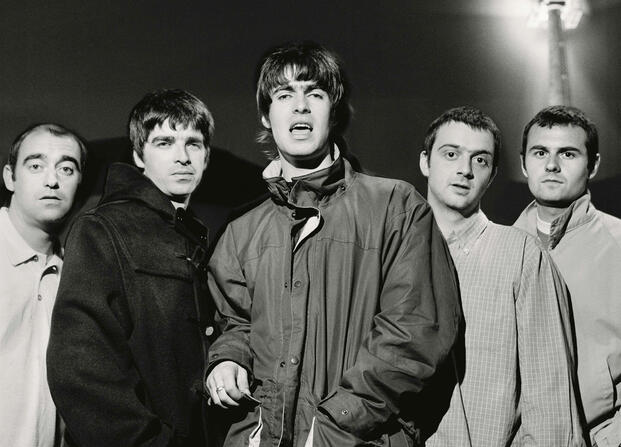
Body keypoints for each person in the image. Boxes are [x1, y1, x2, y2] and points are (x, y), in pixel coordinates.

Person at [204, 41, 461, 447]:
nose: (300, 106)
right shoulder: (241, 230)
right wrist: (228, 360)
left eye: (315, 94)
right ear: (267, 116)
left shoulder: (396, 207)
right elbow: (235, 324)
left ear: (334, 111)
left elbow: (413, 336)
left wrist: (331, 427)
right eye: (284, 95)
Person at [47, 89, 219, 446]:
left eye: (194, 143)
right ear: (139, 155)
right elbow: (80, 369)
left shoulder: (200, 237)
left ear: (206, 156)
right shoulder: (101, 228)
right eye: (164, 142)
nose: (182, 156)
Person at [419, 106, 584, 446]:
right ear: (425, 162)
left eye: (480, 160)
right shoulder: (390, 252)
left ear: (492, 174)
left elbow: (550, 402)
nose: (465, 169)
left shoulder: (521, 255)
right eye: (451, 154)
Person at [514, 105, 621, 446]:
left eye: (568, 153)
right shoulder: (501, 248)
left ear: (593, 165)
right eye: (540, 152)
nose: (551, 165)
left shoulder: (618, 243)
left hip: (601, 435)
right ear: (523, 163)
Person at [0, 123, 86, 447]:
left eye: (66, 169)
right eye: (36, 165)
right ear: (10, 177)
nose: (52, 180)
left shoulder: (76, 274)